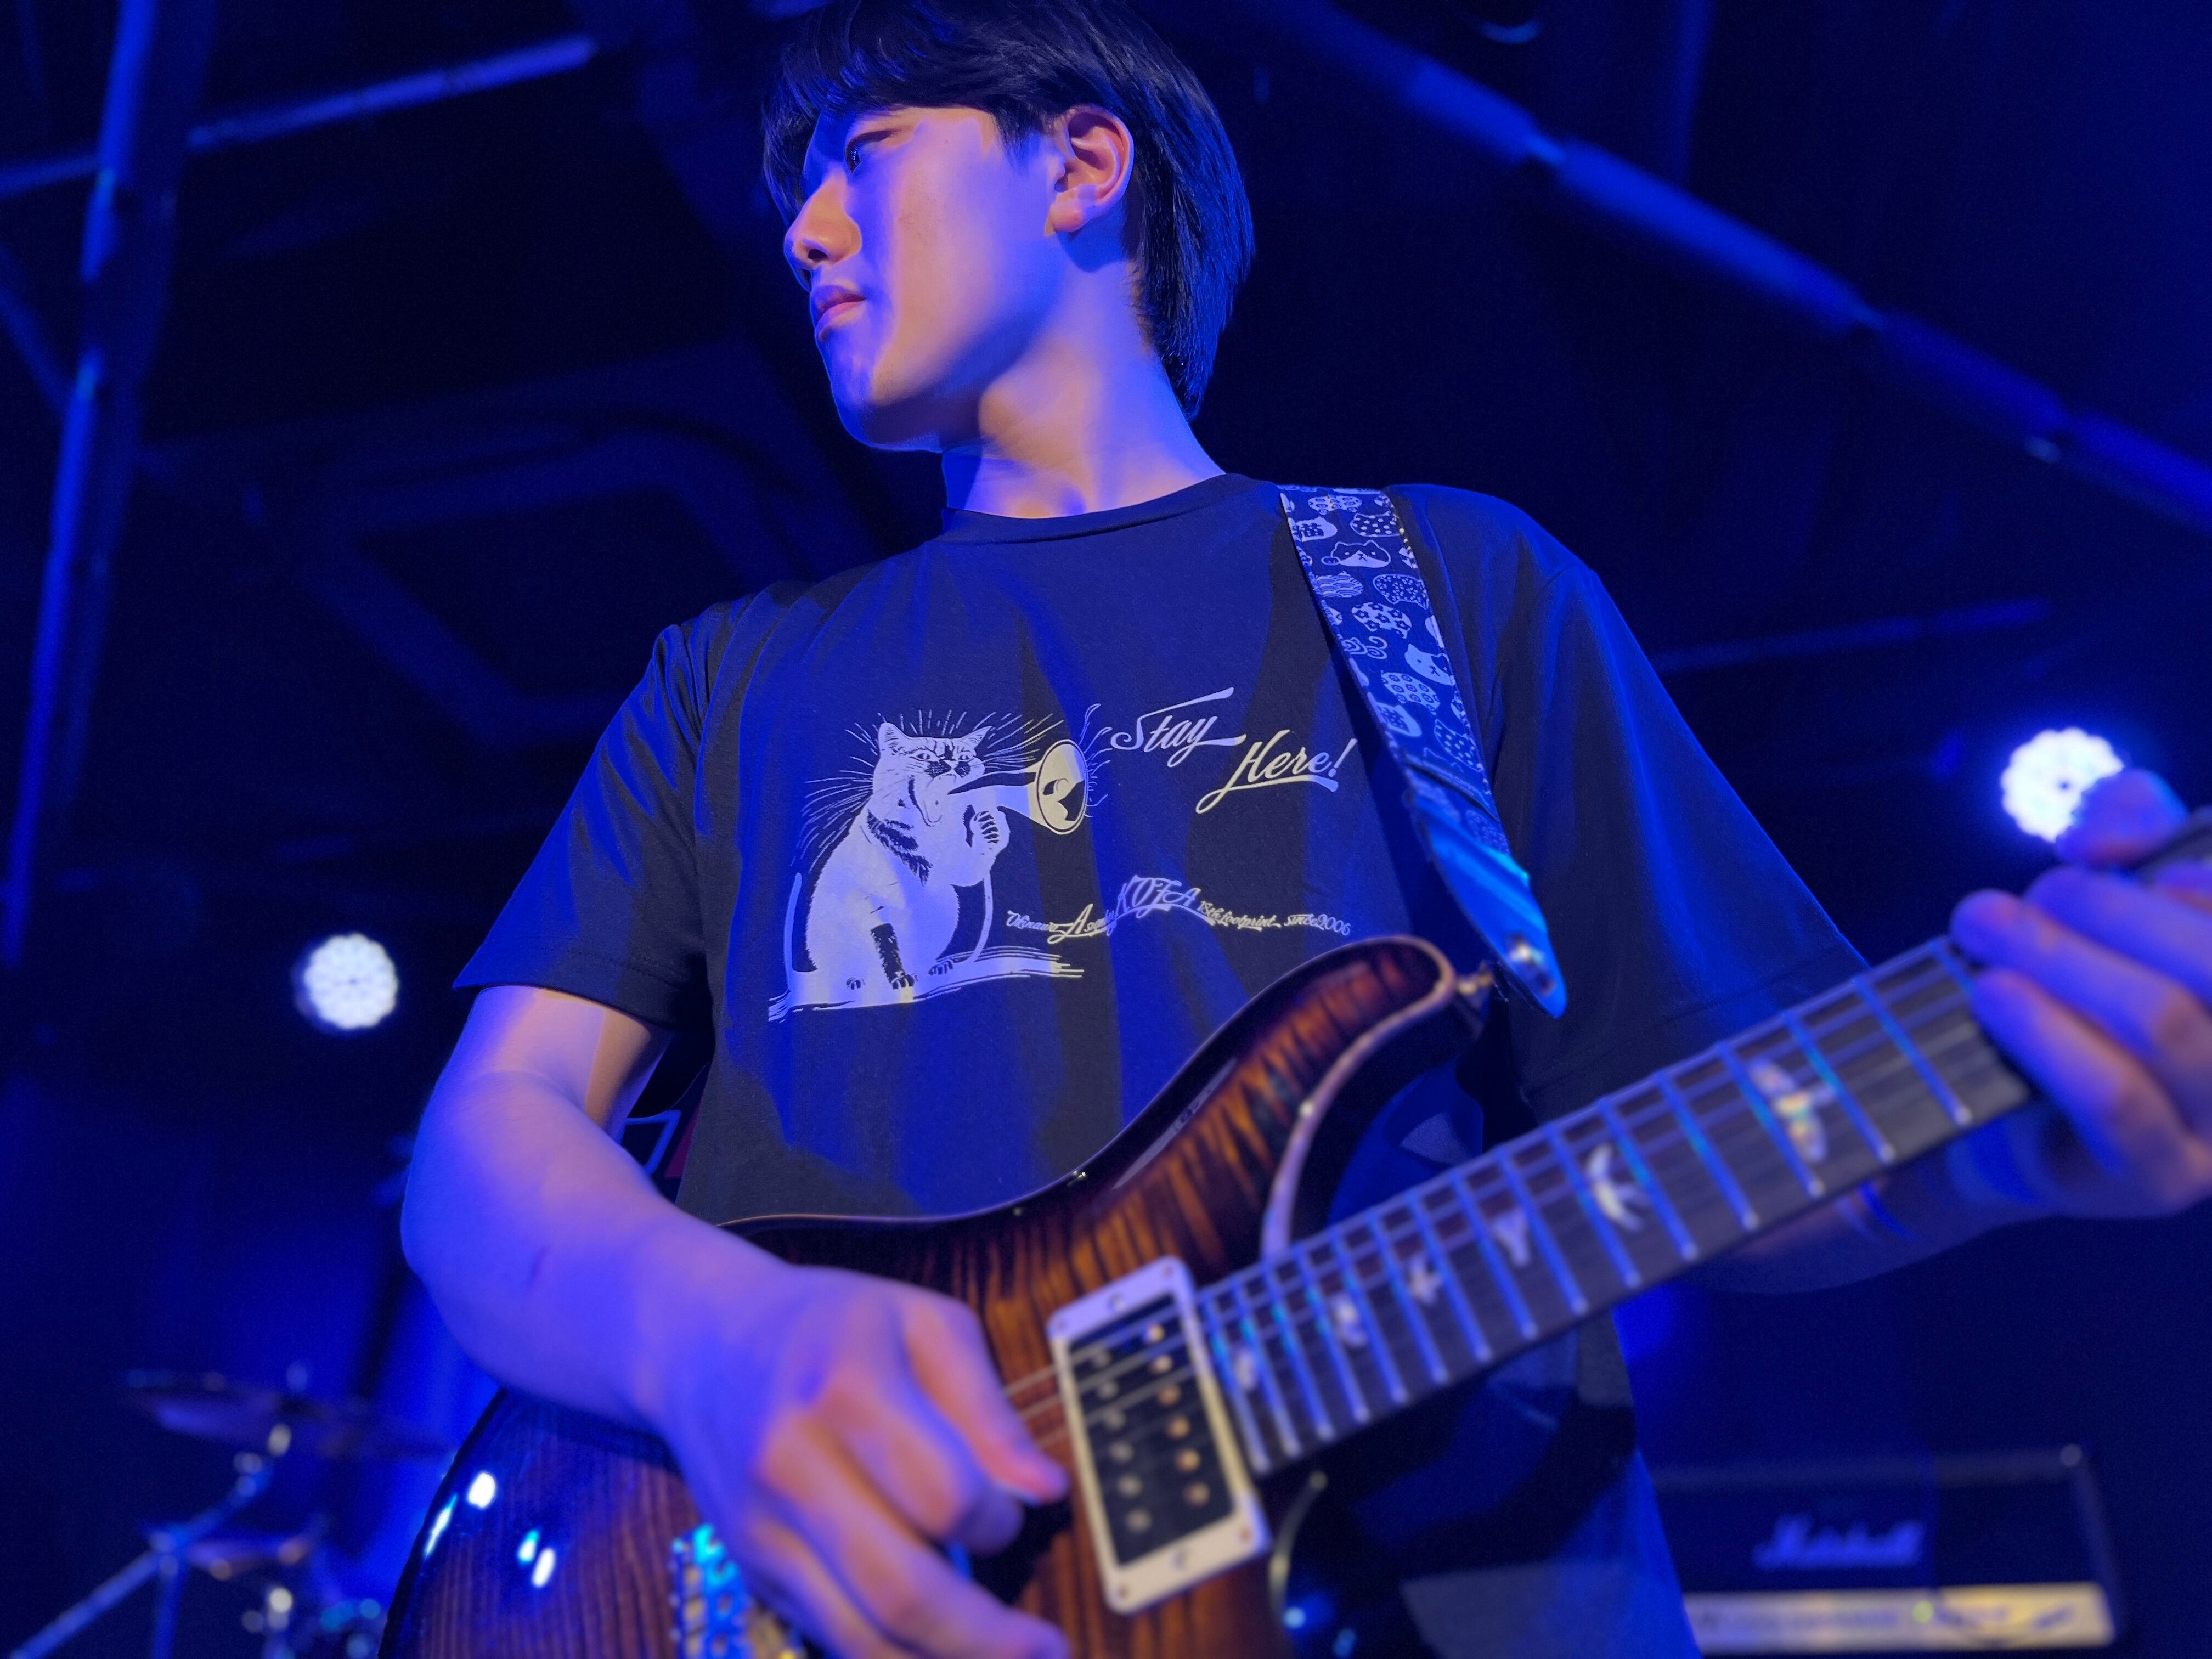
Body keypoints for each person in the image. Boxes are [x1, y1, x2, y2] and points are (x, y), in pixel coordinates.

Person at [398, 3, 2212, 1655]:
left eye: (858, 155)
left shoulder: (1449, 582)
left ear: (1079, 166)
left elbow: (1749, 1121)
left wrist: (1994, 1136)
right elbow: (491, 1146)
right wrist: (716, 1343)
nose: (799, 232)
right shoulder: (734, 674)